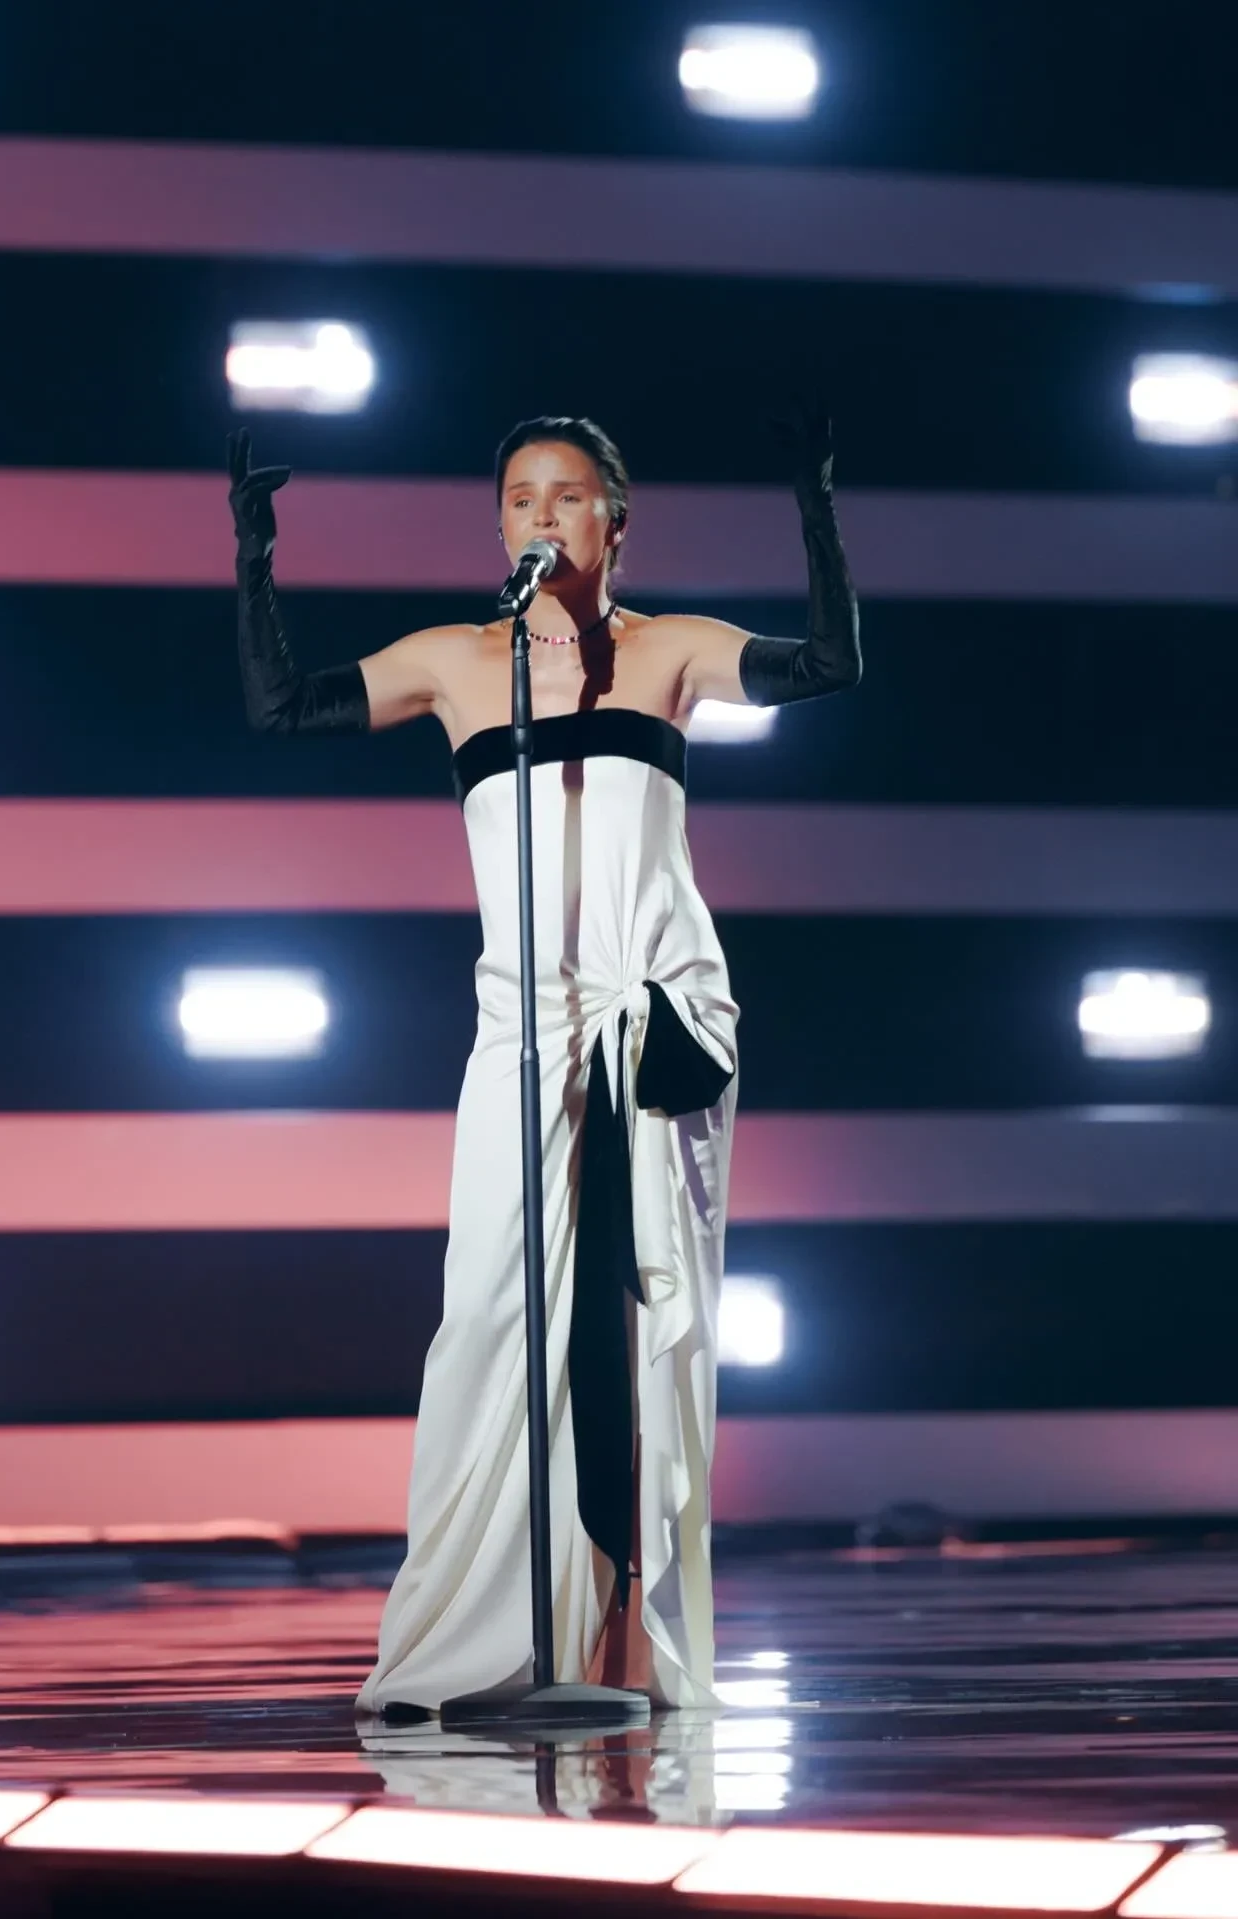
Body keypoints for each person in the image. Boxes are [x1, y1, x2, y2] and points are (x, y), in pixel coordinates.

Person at [226, 411, 860, 1717]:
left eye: (568, 497)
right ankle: (480, 1635)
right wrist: (254, 555)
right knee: (489, 1316)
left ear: (614, 522)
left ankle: (620, 1642)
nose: (543, 519)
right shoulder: (460, 663)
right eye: (521, 499)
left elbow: (825, 664)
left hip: (654, 1013)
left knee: (642, 1322)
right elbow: (282, 707)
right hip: (522, 1028)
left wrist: (816, 512)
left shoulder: (668, 650)